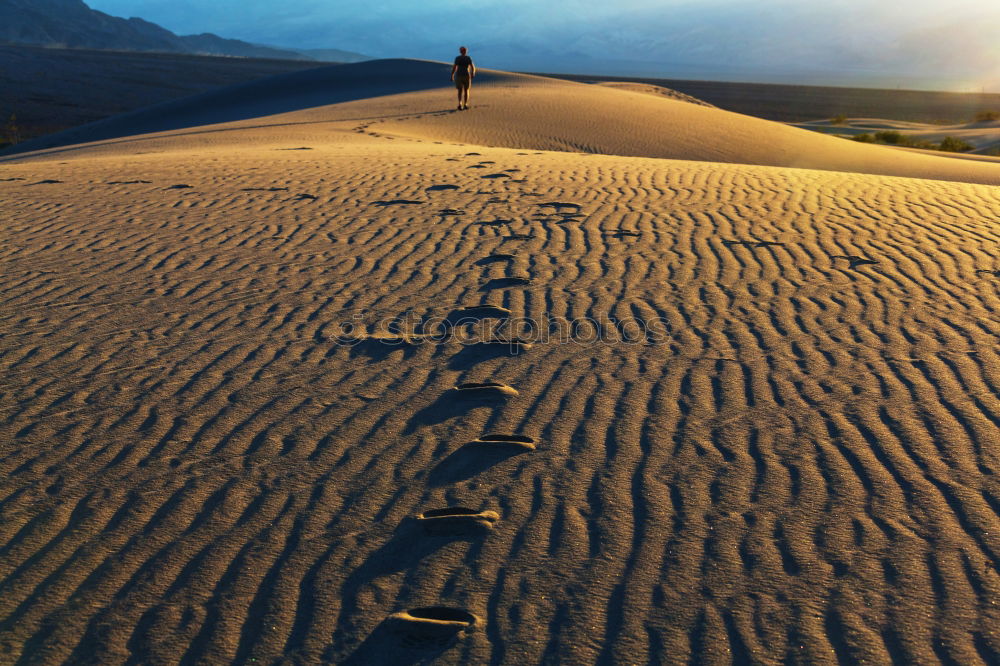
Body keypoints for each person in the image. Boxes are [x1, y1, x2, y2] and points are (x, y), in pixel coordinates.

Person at [451, 46, 476, 110]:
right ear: (465, 51)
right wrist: (473, 72)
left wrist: (452, 75)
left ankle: (461, 104)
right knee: (466, 90)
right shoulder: (468, 58)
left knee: (460, 90)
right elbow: (473, 66)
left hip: (460, 75)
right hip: (466, 75)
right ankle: (465, 104)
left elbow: (455, 67)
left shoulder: (458, 58)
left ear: (460, 51)